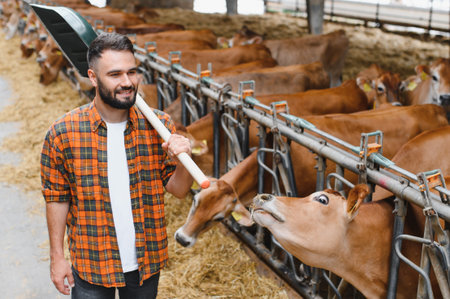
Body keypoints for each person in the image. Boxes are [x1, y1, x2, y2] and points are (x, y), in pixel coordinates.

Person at [40, 32, 193, 298]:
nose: (127, 82)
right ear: (92, 77)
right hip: (91, 263)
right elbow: (56, 197)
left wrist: (185, 160)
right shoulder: (63, 132)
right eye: (115, 75)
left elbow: (179, 190)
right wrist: (57, 257)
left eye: (132, 72)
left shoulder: (160, 126)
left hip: (145, 263)